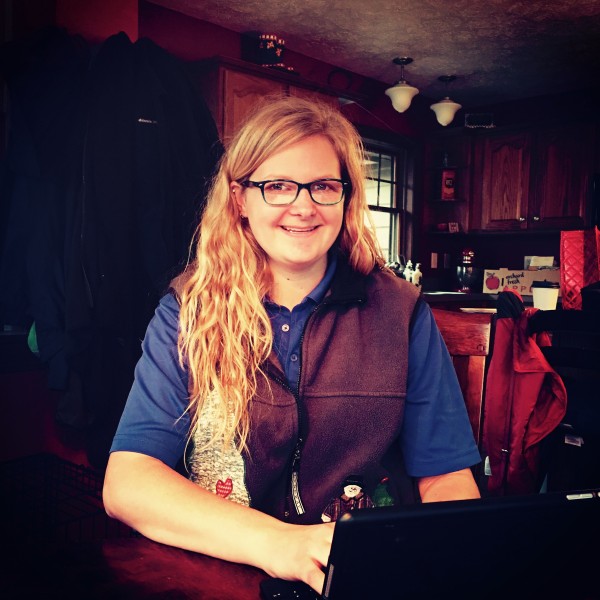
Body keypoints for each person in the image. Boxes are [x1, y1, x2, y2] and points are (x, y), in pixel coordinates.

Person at [103, 96, 481, 594]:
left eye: (323, 186)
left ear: (346, 197)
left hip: (360, 575)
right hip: (220, 574)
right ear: (239, 198)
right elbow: (128, 481)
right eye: (277, 185)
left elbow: (446, 480)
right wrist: (278, 544)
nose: (302, 207)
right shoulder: (186, 311)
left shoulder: (402, 313)